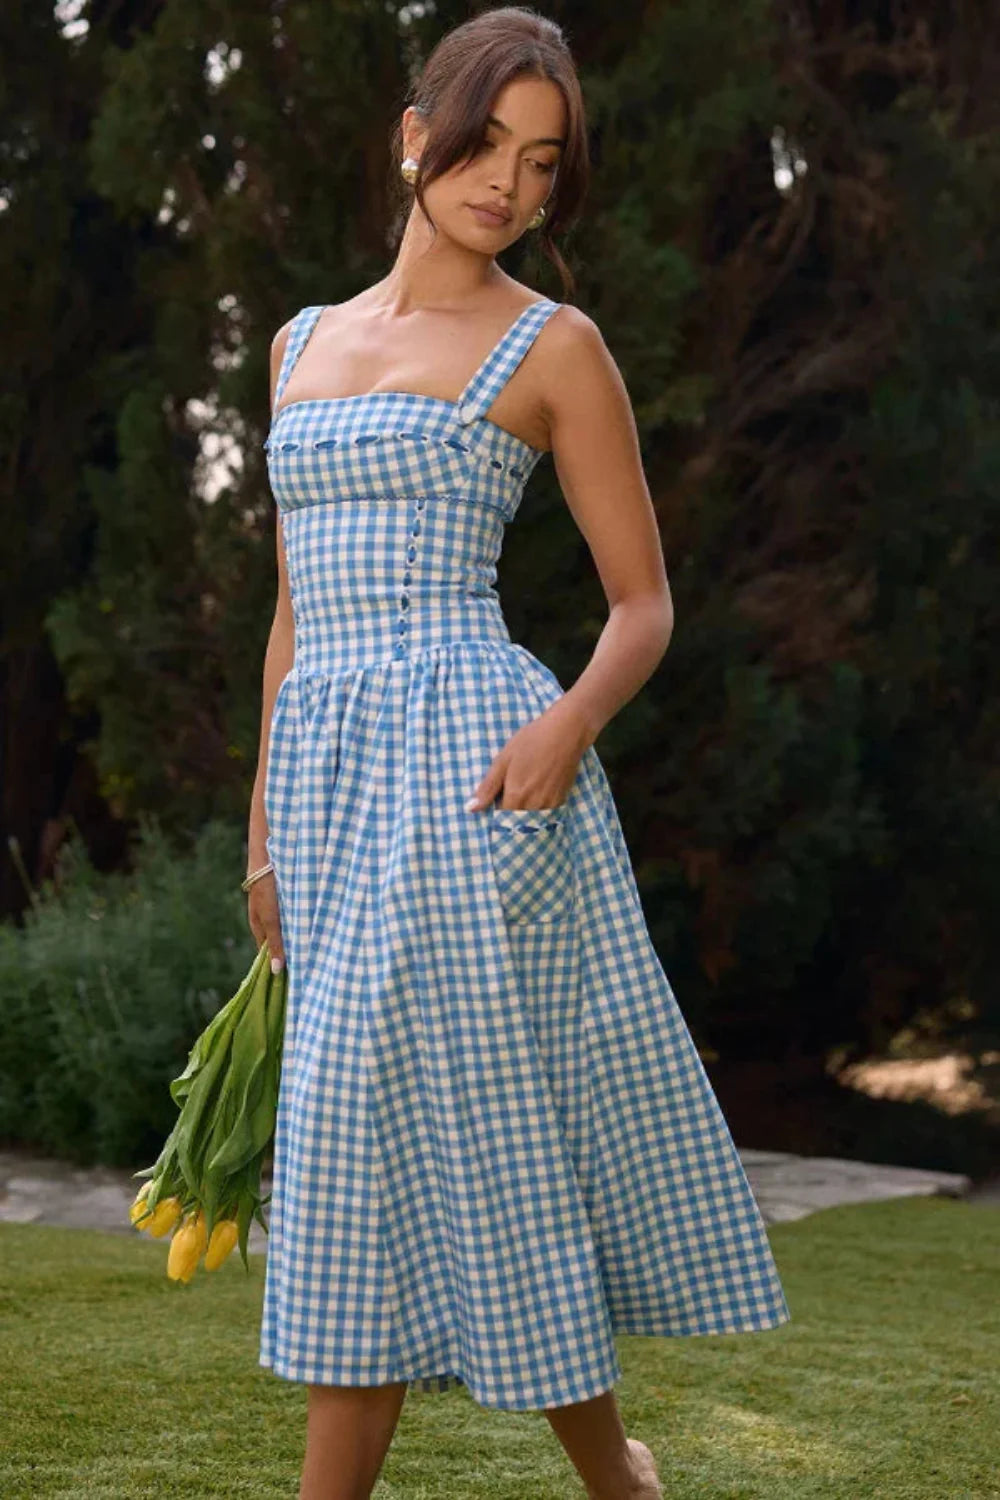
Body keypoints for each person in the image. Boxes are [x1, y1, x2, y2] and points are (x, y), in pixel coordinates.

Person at [245, 7, 791, 1498]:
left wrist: (566, 726)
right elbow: (293, 624)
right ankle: (619, 1474)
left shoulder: (556, 348)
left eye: (541, 166)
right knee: (444, 1135)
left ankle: (593, 1471)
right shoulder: (299, 343)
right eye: (485, 145)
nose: (507, 185)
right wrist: (263, 841)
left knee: (376, 1123)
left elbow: (643, 604)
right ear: (415, 135)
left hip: (477, 773)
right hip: (333, 786)